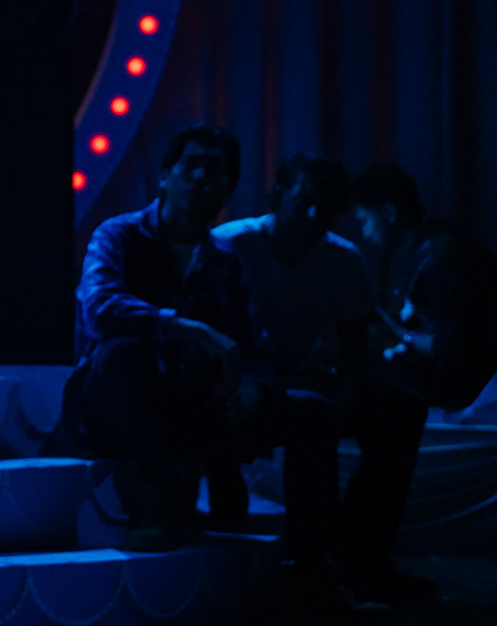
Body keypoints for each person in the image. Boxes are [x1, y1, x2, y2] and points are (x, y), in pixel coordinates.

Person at [64, 125, 359, 614]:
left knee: (315, 413)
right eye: (193, 166)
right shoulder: (118, 235)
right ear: (165, 175)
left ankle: (311, 568)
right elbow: (100, 308)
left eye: (217, 172)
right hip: (116, 407)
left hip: (188, 404)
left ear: (227, 191)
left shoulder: (226, 261)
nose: (203, 179)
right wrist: (185, 327)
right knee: (122, 352)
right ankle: (161, 494)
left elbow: (256, 348)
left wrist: (255, 386)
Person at [215, 155, 437, 606]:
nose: (314, 215)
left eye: (327, 207)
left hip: (297, 380)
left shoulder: (342, 258)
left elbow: (355, 356)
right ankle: (310, 565)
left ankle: (363, 553)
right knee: (311, 414)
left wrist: (342, 397)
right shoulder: (231, 245)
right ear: (280, 194)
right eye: (304, 202)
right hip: (237, 385)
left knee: (402, 408)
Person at [351, 162, 497, 414]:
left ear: (389, 212)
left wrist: (399, 332)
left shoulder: (439, 258)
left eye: (365, 220)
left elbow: (453, 347)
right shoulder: (435, 242)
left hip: (463, 393)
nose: (365, 232)